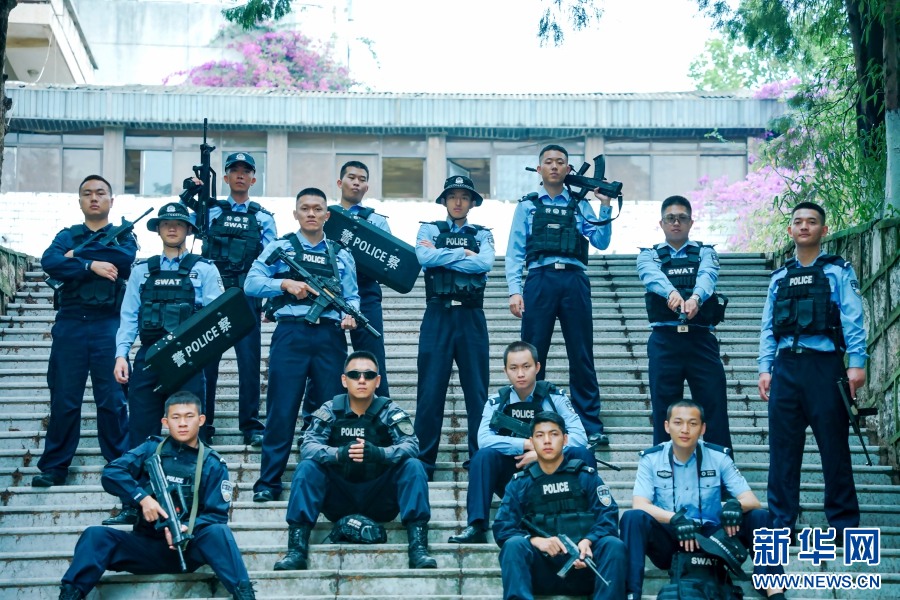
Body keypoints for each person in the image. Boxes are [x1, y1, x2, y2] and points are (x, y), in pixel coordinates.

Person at [56, 392, 256, 600]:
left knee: (218, 532)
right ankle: (71, 594)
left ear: (201, 420)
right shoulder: (151, 449)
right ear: (165, 422)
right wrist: (142, 498)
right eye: (176, 417)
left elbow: (217, 515)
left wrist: (186, 528)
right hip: (144, 547)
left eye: (189, 416)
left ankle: (244, 594)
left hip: (188, 548)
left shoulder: (212, 463)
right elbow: (112, 473)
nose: (183, 423)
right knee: (95, 535)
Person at [106, 203, 224, 526]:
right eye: (166, 223)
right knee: (140, 434)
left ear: (188, 230)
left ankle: (193, 503)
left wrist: (200, 353)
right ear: (158, 229)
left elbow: (217, 316)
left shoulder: (205, 269)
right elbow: (129, 316)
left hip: (189, 358)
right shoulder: (142, 270)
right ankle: (133, 503)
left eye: (179, 224)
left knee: (189, 433)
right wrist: (121, 354)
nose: (172, 228)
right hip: (150, 356)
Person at [758, 201, 867, 538]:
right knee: (782, 451)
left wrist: (857, 363)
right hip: (786, 367)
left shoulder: (838, 271)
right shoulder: (779, 278)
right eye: (798, 221)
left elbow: (853, 319)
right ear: (790, 229)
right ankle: (781, 523)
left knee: (834, 448)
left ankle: (844, 524)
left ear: (824, 229)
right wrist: (765, 368)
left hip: (825, 367)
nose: (804, 226)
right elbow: (768, 327)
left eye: (812, 221)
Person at [245, 187, 359, 502]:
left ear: (327, 215)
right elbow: (251, 283)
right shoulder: (280, 247)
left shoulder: (341, 253)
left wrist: (350, 316)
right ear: (295, 214)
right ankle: (268, 483)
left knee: (330, 411)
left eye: (317, 208)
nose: (311, 213)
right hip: (290, 334)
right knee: (281, 410)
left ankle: (328, 483)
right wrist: (284, 283)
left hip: (330, 336)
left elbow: (352, 296)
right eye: (305, 208)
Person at [273, 350, 436, 570]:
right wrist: (338, 454)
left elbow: (412, 445)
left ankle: (418, 549)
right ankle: (296, 551)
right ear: (344, 380)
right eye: (354, 374)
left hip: (380, 498)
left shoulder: (389, 410)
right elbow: (308, 445)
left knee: (413, 466)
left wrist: (380, 454)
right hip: (340, 497)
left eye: (369, 375)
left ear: (377, 381)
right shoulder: (330, 410)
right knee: (307, 468)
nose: (361, 380)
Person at [506, 144, 615, 447]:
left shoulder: (580, 205)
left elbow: (601, 241)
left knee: (581, 353)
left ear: (568, 170)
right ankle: (528, 421)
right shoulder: (527, 206)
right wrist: (515, 290)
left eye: (560, 162)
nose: (554, 166)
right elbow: (515, 252)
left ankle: (589, 424)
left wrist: (605, 204)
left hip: (574, 279)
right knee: (532, 354)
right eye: (548, 162)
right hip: (539, 279)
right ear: (539, 169)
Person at [619, 401, 784, 599]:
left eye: (693, 423)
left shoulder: (719, 457)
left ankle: (774, 591)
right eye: (678, 423)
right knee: (632, 518)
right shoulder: (651, 459)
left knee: (759, 517)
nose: (685, 430)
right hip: (672, 540)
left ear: (703, 428)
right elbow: (640, 504)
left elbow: (752, 501)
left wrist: (735, 505)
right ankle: (630, 593)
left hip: (713, 541)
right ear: (667, 427)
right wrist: (675, 519)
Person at [33, 175, 135, 487]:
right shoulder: (67, 235)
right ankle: (55, 467)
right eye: (87, 193)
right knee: (64, 398)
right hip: (71, 323)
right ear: (79, 201)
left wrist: (76, 255)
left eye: (100, 193)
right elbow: (50, 261)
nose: (94, 198)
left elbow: (124, 258)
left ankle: (120, 464)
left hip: (107, 325)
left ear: (111, 201)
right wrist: (90, 266)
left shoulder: (122, 235)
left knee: (112, 398)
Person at [449, 340, 597, 544]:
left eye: (526, 367)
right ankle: (476, 525)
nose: (520, 374)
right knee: (483, 456)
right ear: (505, 371)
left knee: (583, 454)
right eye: (514, 368)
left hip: (554, 471)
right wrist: (526, 445)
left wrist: (542, 453)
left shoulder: (555, 398)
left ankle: (590, 519)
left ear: (537, 367)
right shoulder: (497, 401)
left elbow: (580, 437)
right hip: (516, 474)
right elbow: (484, 440)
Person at [185, 152, 277, 447]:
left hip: (246, 297)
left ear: (253, 179)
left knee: (249, 363)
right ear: (225, 178)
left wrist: (270, 299)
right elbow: (180, 228)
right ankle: (204, 424)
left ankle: (250, 425)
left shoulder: (263, 217)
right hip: (213, 297)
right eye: (234, 170)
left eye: (245, 171)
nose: (240, 175)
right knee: (207, 362)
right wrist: (191, 195)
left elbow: (272, 261)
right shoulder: (210, 211)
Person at [492, 411, 626, 599]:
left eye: (553, 434)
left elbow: (608, 517)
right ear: (532, 442)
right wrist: (535, 541)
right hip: (542, 571)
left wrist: (589, 541)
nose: (547, 441)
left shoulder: (586, 477)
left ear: (565, 439)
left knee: (613, 545)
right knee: (514, 545)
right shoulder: (520, 483)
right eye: (540, 435)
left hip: (586, 567)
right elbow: (503, 527)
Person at [414, 175, 495, 479]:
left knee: (477, 392)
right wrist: (463, 254)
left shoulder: (483, 234)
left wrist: (442, 258)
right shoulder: (430, 229)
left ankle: (479, 459)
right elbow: (423, 257)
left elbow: (485, 264)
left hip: (471, 316)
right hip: (437, 314)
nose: (458, 202)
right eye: (452, 196)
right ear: (444, 201)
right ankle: (423, 462)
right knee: (430, 390)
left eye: (464, 197)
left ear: (472, 202)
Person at [636, 195, 732, 450]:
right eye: (670, 218)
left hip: (700, 339)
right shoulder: (648, 255)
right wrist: (672, 293)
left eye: (682, 218)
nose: (676, 223)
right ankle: (663, 466)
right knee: (665, 411)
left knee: (714, 407)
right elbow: (651, 276)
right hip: (664, 341)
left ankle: (721, 465)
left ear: (691, 222)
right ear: (661, 223)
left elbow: (708, 276)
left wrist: (696, 298)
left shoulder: (705, 252)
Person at [336, 160, 391, 396]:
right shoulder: (326, 216)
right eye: (351, 177)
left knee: (373, 359)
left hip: (366, 293)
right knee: (327, 360)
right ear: (340, 182)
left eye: (362, 179)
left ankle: (382, 412)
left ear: (367, 187)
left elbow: (390, 263)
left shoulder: (377, 221)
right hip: (329, 294)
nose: (356, 183)